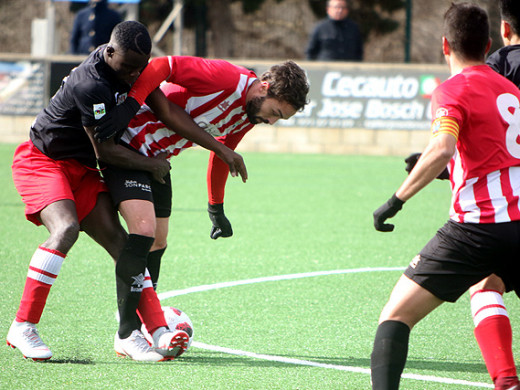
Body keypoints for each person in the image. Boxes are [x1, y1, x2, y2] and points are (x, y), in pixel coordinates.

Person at [6, 21, 246, 363]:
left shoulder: (134, 68)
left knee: (126, 246)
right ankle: (23, 326)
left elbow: (164, 109)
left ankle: (146, 332)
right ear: (110, 50)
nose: (135, 74)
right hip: (44, 161)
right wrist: (153, 165)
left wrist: (220, 149)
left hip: (83, 169)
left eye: (140, 67)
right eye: (129, 67)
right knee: (66, 229)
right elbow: (106, 150)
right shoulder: (91, 84)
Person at [371, 3, 520, 389]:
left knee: (395, 316)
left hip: (477, 229)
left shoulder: (451, 91)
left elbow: (442, 149)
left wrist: (395, 201)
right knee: (487, 286)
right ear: (489, 44)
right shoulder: (510, 88)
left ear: (444, 46)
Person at [98, 57, 309, 300]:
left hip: (155, 160)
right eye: (274, 113)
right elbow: (163, 66)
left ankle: (143, 318)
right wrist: (131, 103)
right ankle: (132, 326)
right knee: (144, 233)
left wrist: (215, 208)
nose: (271, 122)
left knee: (158, 241)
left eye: (278, 119)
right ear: (263, 87)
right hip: (127, 142)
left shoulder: (249, 112)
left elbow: (224, 155)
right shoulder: (226, 78)